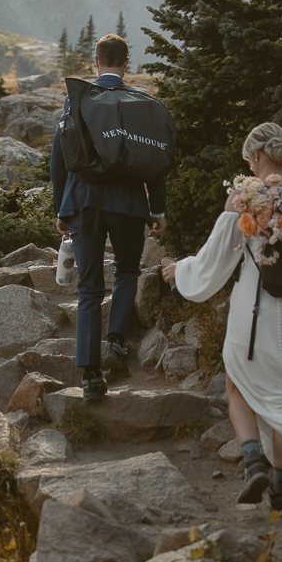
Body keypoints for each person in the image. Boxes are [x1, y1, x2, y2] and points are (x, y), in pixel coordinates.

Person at [160, 122, 282, 516]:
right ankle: (281, 490)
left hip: (255, 312)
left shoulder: (243, 200)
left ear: (258, 157)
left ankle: (252, 461)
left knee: (236, 387)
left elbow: (213, 264)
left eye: (249, 160)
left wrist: (179, 271)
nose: (248, 167)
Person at [50, 32, 166, 399]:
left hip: (83, 203)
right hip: (130, 205)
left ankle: (89, 376)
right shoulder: (139, 104)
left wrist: (62, 209)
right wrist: (157, 208)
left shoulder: (77, 102)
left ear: (96, 62)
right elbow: (154, 161)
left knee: (88, 288)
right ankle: (116, 342)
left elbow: (59, 162)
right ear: (126, 64)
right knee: (128, 270)